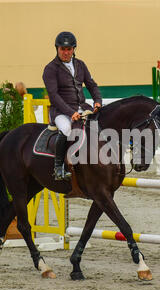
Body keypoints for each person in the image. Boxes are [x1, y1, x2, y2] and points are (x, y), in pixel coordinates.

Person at [42, 31, 102, 181]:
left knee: (100, 124)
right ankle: (58, 168)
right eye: (62, 49)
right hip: (61, 111)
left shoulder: (80, 65)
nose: (66, 52)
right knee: (67, 129)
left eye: (69, 49)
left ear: (74, 49)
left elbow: (92, 85)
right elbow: (54, 96)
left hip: (82, 106)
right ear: (57, 49)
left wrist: (97, 100)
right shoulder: (50, 69)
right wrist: (70, 113)